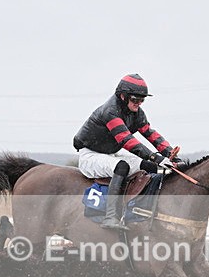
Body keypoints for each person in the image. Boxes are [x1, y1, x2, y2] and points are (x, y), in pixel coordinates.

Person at [74, 73, 177, 230]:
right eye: (135, 99)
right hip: (90, 155)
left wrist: (170, 154)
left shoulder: (136, 113)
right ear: (123, 96)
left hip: (110, 154)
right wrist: (157, 157)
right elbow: (127, 141)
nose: (139, 104)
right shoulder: (110, 111)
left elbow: (150, 134)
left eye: (142, 100)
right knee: (122, 166)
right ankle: (111, 217)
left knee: (148, 166)